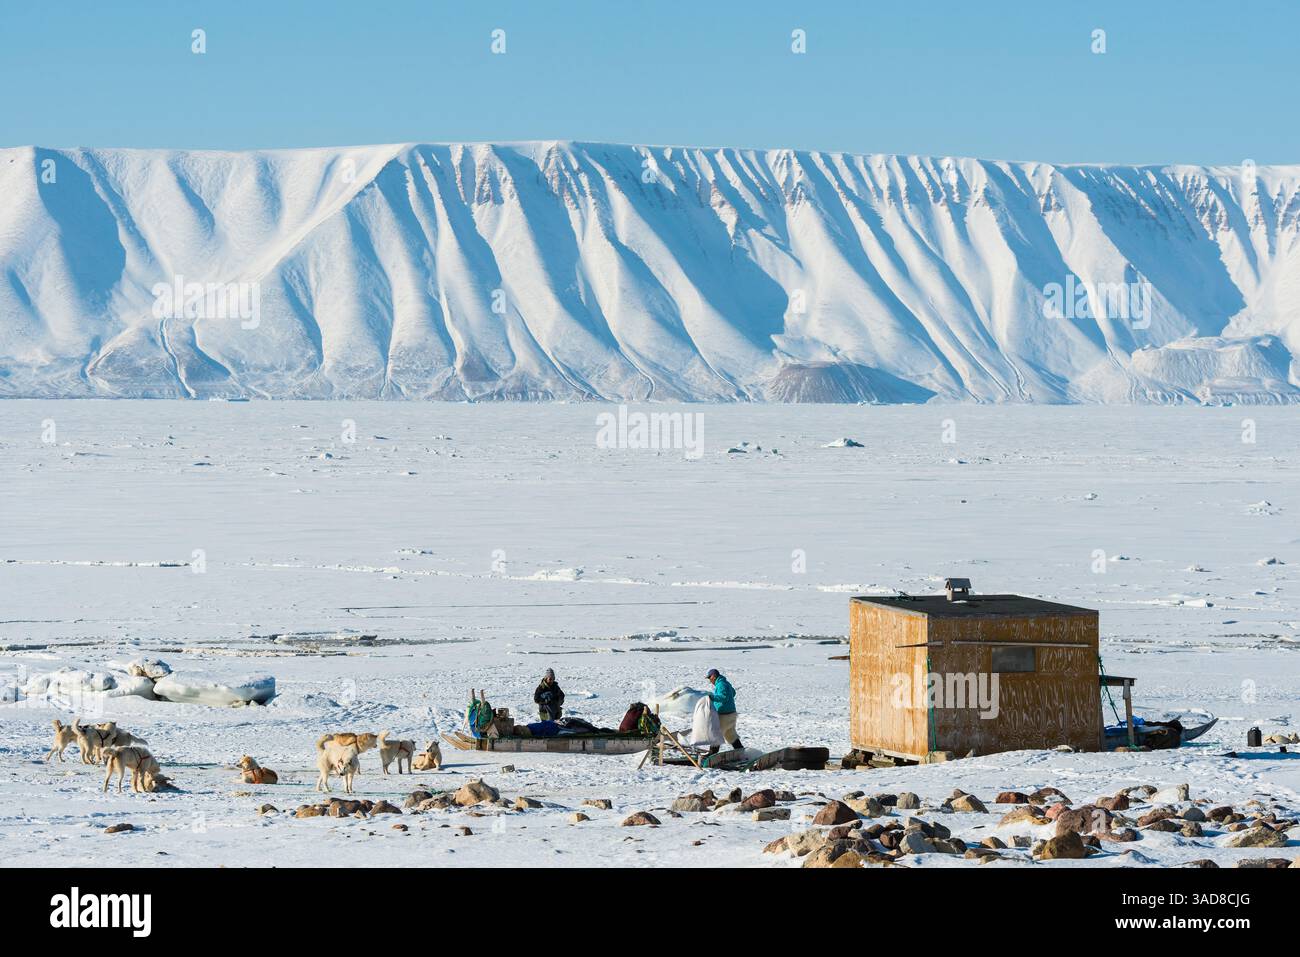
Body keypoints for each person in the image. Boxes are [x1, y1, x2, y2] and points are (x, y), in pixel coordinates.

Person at [705, 668, 742, 752]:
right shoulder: (725, 683)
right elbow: (733, 693)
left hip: (724, 715)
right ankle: (740, 750)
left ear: (714, 676)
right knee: (730, 734)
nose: (709, 680)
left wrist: (711, 697)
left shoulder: (721, 684)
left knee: (716, 733)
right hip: (731, 714)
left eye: (709, 677)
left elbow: (723, 697)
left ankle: (712, 754)